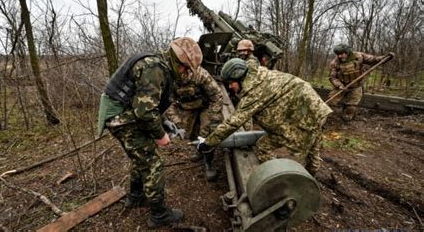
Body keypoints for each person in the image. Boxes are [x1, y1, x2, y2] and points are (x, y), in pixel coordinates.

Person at [97, 37, 203, 228]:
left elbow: (147, 103)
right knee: (153, 163)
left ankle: (136, 196)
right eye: (186, 69)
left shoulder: (157, 65)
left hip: (124, 115)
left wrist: (164, 123)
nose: (186, 73)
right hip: (121, 119)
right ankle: (159, 214)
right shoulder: (154, 68)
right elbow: (144, 111)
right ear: (178, 62)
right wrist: (160, 135)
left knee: (141, 157)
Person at [196, 58, 333, 176]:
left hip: (302, 118)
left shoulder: (254, 93)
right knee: (314, 141)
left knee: (263, 146)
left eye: (231, 83)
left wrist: (209, 142)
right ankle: (311, 175)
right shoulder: (259, 74)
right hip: (315, 110)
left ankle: (278, 177)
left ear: (239, 78)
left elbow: (233, 123)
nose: (230, 87)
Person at [165, 66, 223, 181]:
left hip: (206, 106)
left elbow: (217, 95)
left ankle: (209, 161)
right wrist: (176, 121)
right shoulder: (169, 79)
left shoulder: (201, 74)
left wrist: (215, 118)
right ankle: (199, 150)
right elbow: (168, 103)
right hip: (188, 108)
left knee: (206, 132)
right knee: (191, 133)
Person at [328, 43, 394, 121]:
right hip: (341, 86)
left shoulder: (359, 56)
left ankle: (346, 115)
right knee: (331, 102)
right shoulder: (334, 63)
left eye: (341, 54)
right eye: (338, 54)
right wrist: (339, 85)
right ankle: (325, 116)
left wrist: (386, 57)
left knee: (351, 107)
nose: (339, 56)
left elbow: (374, 59)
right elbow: (332, 77)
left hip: (356, 86)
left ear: (347, 52)